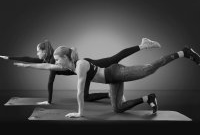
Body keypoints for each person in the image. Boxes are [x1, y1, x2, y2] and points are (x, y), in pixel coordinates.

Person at [14, 40, 200, 118]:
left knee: (149, 69)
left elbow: (80, 91)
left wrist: (79, 113)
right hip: (113, 80)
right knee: (117, 109)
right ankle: (148, 98)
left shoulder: (80, 65)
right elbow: (45, 66)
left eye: (57, 59)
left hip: (116, 72)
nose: (55, 62)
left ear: (65, 58)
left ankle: (184, 52)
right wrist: (26, 64)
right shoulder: (68, 66)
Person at [1, 38, 161, 105]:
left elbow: (50, 82)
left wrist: (48, 101)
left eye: (38, 51)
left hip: (87, 66)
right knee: (85, 97)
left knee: (114, 59)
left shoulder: (54, 60)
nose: (37, 54)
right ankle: (108, 94)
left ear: (45, 52)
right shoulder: (47, 59)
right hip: (82, 72)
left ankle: (143, 45)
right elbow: (29, 59)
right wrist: (9, 57)